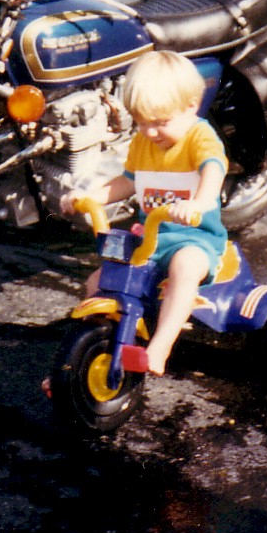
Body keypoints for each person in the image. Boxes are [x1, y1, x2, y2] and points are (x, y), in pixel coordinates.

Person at [61, 49, 228, 376]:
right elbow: (128, 181)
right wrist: (90, 196)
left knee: (185, 266)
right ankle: (81, 358)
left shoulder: (199, 136)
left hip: (194, 237)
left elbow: (214, 169)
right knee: (99, 279)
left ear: (191, 106)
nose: (150, 132)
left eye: (160, 123)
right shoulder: (143, 142)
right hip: (150, 238)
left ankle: (160, 347)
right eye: (141, 123)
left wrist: (198, 202)